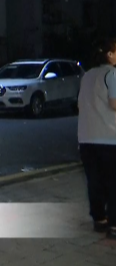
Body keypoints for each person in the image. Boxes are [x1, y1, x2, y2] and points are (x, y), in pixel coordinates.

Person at [77, 38, 116, 240]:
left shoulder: (87, 75)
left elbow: (80, 104)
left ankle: (99, 219)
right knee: (113, 182)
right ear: (109, 54)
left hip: (86, 137)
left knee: (95, 180)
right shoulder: (112, 74)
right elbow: (114, 103)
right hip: (109, 137)